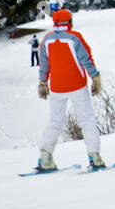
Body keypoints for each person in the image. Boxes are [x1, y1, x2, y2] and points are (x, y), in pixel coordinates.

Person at [35, 9, 106, 172]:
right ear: (69, 22)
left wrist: (43, 82)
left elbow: (44, 64)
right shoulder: (75, 38)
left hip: (57, 88)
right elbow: (86, 59)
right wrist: (95, 77)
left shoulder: (46, 40)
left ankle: (45, 157)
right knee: (87, 120)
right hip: (77, 86)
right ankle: (94, 156)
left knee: (54, 121)